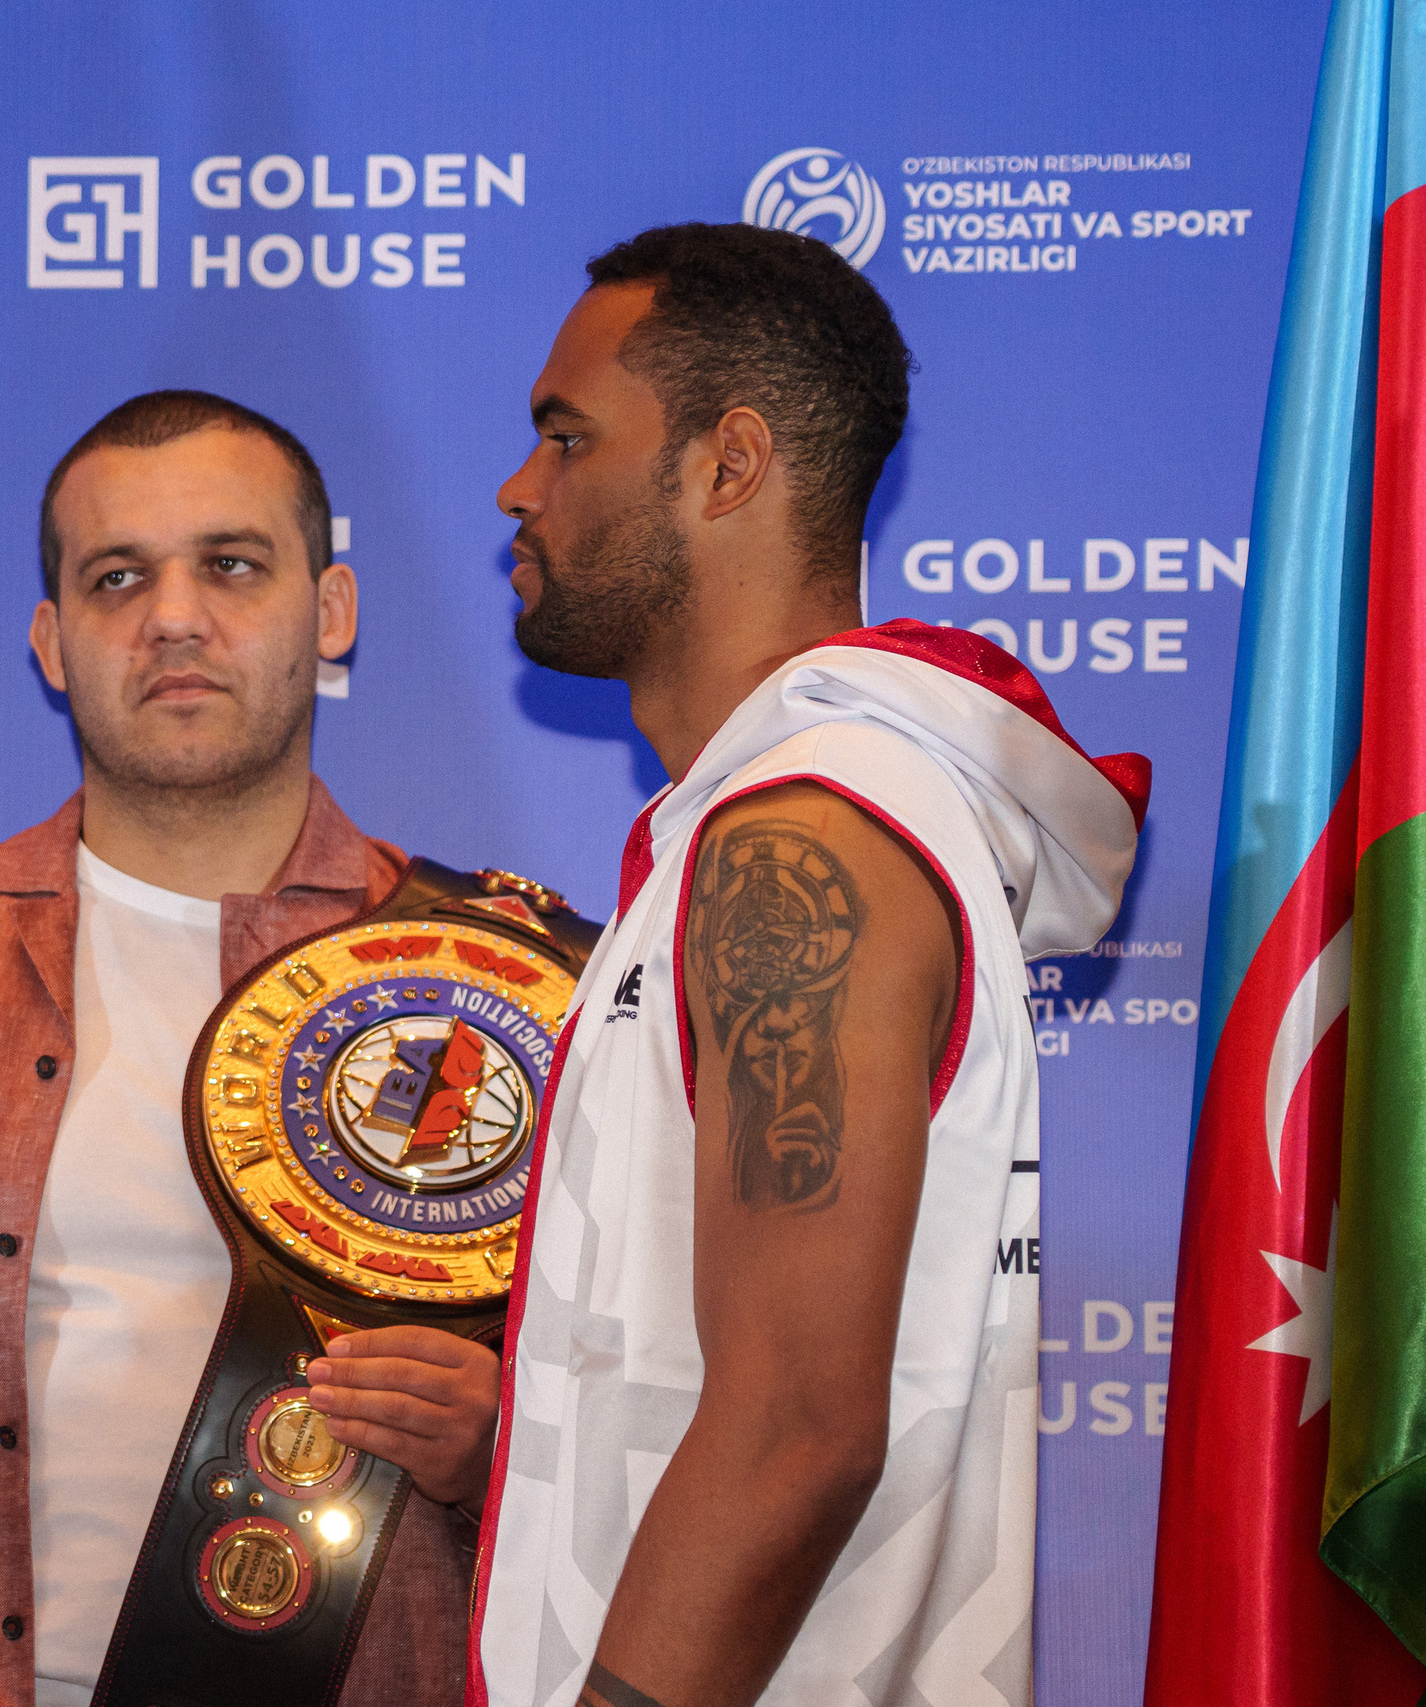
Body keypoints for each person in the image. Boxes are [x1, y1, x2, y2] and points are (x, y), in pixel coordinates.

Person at [468, 224, 1148, 1707]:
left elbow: (797, 1422)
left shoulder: (805, 838)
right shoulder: (784, 812)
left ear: (728, 466)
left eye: (566, 437)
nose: (520, 488)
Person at [0, 391, 505, 1707]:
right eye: (116, 577)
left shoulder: (480, 984)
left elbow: (640, 1430)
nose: (174, 615)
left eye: (232, 565)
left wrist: (500, 1448)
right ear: (52, 641)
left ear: (334, 610)